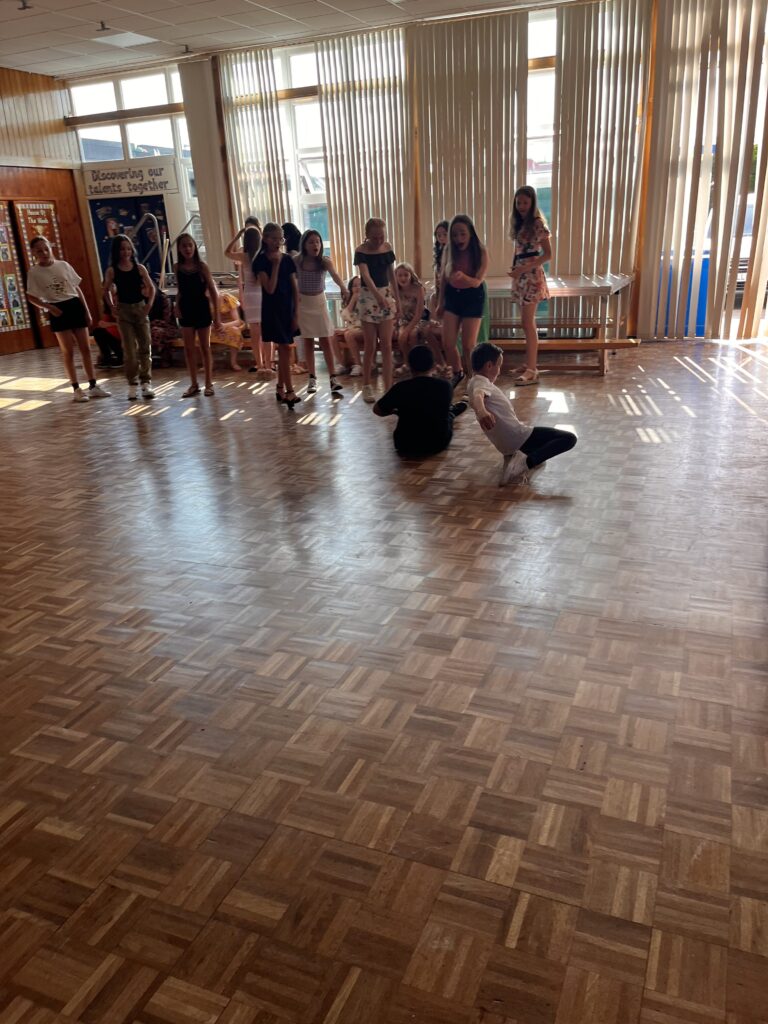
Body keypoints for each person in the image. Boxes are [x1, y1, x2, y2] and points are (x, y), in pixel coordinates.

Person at [468, 342, 576, 485]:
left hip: (506, 446)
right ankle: (524, 463)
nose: (499, 371)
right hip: (519, 437)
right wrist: (482, 412)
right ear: (489, 365)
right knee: (569, 438)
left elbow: (476, 395)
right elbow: (478, 395)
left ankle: (520, 458)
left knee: (541, 456)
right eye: (498, 366)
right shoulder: (482, 383)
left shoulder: (472, 382)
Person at [26, 236, 111, 402]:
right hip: (57, 309)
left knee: (85, 348)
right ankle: (76, 388)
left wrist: (86, 311)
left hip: (74, 305)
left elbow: (76, 289)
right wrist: (49, 307)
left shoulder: (63, 265)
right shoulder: (34, 272)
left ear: (50, 248)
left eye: (46, 249)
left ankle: (93, 385)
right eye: (39, 251)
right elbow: (31, 297)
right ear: (34, 253)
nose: (44, 253)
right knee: (68, 351)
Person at [373, 344, 467, 457]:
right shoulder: (444, 386)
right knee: (447, 415)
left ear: (409, 366)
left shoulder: (401, 387)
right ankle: (452, 412)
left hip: (404, 444)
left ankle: (452, 412)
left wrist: (395, 411)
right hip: (438, 442)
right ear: (433, 366)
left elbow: (377, 410)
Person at [253, 222, 301, 409]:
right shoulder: (260, 261)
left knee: (285, 349)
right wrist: (275, 266)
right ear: (265, 239)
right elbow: (270, 288)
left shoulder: (287, 259)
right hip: (272, 310)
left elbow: (294, 287)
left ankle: (280, 387)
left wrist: (296, 313)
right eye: (274, 239)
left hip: (287, 309)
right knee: (284, 348)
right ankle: (290, 391)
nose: (277, 242)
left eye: (280, 239)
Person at [294, 229, 349, 395]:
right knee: (308, 341)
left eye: (317, 241)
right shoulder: (297, 260)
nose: (315, 245)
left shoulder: (324, 261)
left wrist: (343, 288)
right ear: (304, 244)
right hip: (303, 304)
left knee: (325, 340)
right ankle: (312, 378)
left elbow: (335, 275)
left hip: (319, 303)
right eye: (311, 242)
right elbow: (291, 281)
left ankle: (333, 378)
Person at [437, 214, 489, 388]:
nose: (458, 239)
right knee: (448, 342)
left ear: (470, 233)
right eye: (454, 235)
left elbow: (478, 281)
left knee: (468, 345)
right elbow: (443, 278)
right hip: (453, 296)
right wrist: (440, 302)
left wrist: (464, 277)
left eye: (462, 234)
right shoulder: (448, 250)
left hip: (473, 296)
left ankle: (473, 379)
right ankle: (457, 371)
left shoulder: (480, 250)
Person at [508, 185, 552, 386]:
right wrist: (515, 269)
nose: (522, 206)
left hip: (532, 276)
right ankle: (529, 363)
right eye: (519, 203)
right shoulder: (519, 224)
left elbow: (548, 254)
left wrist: (524, 268)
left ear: (532, 203)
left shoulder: (537, 223)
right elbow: (519, 250)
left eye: (525, 202)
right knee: (526, 323)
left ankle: (532, 369)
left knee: (528, 322)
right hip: (521, 276)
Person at [103, 233, 156, 400]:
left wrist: (148, 305)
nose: (126, 252)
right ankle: (132, 383)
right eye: (122, 249)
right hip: (124, 311)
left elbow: (151, 288)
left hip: (139, 308)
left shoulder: (139, 268)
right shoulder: (112, 270)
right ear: (116, 251)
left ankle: (146, 382)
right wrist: (112, 307)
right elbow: (105, 290)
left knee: (145, 346)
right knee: (130, 350)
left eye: (128, 249)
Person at [354, 217, 400, 403]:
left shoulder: (387, 248)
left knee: (387, 345)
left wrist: (396, 299)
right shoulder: (361, 251)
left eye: (382, 236)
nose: (379, 240)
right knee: (371, 345)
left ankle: (388, 388)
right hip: (368, 297)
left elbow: (391, 275)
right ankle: (366, 385)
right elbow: (366, 276)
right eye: (375, 237)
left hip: (385, 295)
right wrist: (378, 297)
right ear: (367, 235)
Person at [174, 233, 220, 397]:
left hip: (201, 308)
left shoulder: (202, 267)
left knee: (205, 347)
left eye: (190, 245)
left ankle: (209, 383)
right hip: (186, 309)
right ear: (179, 249)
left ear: (194, 247)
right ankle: (194, 384)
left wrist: (217, 316)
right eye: (184, 246)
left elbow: (213, 292)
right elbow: (180, 290)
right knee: (188, 349)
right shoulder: (177, 267)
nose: (187, 249)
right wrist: (176, 306)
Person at [225, 224, 271, 377]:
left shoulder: (244, 256)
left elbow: (227, 252)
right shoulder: (264, 255)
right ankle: (268, 364)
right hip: (262, 294)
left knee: (254, 334)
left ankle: (259, 365)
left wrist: (237, 236)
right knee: (267, 333)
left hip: (249, 295)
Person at [393, 263, 425, 377]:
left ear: (411, 275)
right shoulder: (395, 290)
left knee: (412, 335)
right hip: (403, 321)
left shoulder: (418, 289)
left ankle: (416, 364)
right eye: (400, 275)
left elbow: (419, 313)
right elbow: (394, 311)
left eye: (406, 275)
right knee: (402, 336)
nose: (403, 278)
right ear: (395, 277)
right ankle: (407, 363)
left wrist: (408, 329)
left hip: (418, 320)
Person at [211, 291, 246, 370]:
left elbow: (237, 321)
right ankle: (209, 362)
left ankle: (233, 363)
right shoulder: (205, 300)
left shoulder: (226, 299)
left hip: (230, 324)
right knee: (201, 335)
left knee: (234, 332)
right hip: (216, 326)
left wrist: (224, 325)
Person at [336, 276, 363, 376]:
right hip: (351, 328)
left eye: (360, 285)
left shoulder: (366, 300)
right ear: (351, 288)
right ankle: (342, 364)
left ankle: (358, 365)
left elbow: (362, 321)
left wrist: (357, 299)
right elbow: (345, 317)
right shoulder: (348, 300)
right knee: (332, 335)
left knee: (348, 334)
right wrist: (353, 300)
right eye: (355, 286)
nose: (357, 288)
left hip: (364, 330)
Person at [92, 302, 123, 368]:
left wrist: (111, 324)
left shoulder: (125, 306)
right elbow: (102, 324)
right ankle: (107, 358)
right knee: (98, 331)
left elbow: (124, 324)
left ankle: (121, 357)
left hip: (125, 337)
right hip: (115, 336)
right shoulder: (109, 309)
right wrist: (101, 354)